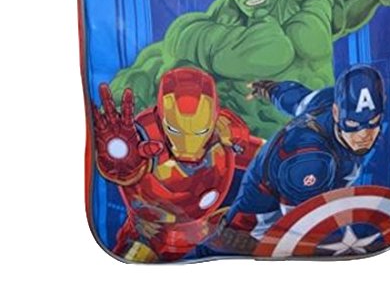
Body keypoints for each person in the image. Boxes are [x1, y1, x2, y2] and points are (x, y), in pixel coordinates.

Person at [110, 0, 390, 138]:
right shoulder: (211, 31)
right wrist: (128, 94)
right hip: (245, 163)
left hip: (320, 147)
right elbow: (156, 66)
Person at [92, 67, 263, 262]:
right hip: (152, 235)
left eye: (200, 131)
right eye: (175, 130)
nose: (187, 144)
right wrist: (118, 160)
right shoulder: (144, 138)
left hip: (208, 230)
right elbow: (127, 167)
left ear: (213, 118)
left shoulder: (225, 133)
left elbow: (267, 155)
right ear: (161, 117)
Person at [213, 65, 385, 254]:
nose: (363, 135)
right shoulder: (309, 159)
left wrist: (269, 89)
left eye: (372, 122)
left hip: (310, 196)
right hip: (254, 226)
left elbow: (295, 98)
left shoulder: (328, 98)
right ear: (336, 112)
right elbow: (302, 227)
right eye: (352, 124)